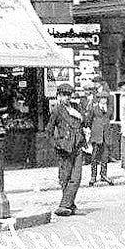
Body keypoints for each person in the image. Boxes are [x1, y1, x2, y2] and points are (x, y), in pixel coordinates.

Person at [45, 83, 85, 216]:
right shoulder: (57, 110)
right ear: (59, 96)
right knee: (65, 177)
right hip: (65, 148)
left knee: (77, 177)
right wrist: (56, 144)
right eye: (64, 95)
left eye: (69, 95)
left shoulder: (76, 108)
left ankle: (64, 205)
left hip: (78, 146)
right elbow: (49, 130)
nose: (67, 98)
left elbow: (83, 124)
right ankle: (70, 205)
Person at [84, 91, 114, 187]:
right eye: (102, 98)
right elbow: (88, 121)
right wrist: (93, 129)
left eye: (105, 98)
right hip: (97, 135)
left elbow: (111, 118)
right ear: (99, 99)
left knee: (105, 156)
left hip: (106, 134)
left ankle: (103, 174)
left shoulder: (109, 109)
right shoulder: (94, 109)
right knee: (95, 156)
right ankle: (93, 176)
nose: (104, 100)